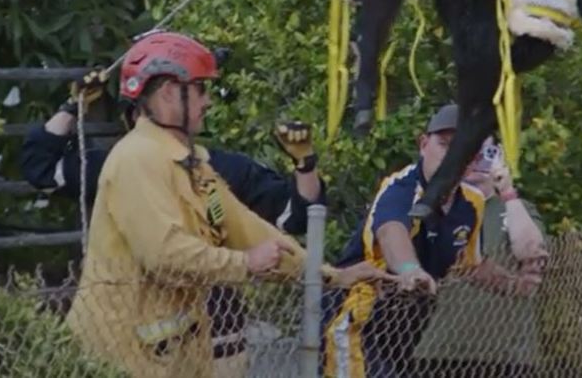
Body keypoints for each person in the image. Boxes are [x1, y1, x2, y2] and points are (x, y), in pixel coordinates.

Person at [63, 31, 388, 378]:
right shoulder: (137, 158)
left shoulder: (192, 164)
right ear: (170, 92)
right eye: (201, 88)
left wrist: (330, 275)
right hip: (119, 359)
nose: (208, 102)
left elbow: (246, 230)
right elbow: (164, 254)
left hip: (167, 356)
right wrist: (245, 263)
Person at [20, 58, 329, 369]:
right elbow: (42, 170)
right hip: (145, 348)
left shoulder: (217, 169)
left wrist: (305, 165)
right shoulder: (124, 164)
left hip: (219, 340)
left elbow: (295, 218)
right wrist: (74, 106)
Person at [321, 104, 543, 378]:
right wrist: (409, 270)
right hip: (356, 321)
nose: (450, 154)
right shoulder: (401, 186)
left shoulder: (471, 203)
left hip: (405, 332)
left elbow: (470, 264)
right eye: (443, 144)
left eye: (459, 147)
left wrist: (513, 284)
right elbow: (392, 232)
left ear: (472, 157)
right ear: (424, 144)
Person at [413, 137, 549, 377]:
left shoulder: (515, 208)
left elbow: (531, 251)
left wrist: (506, 191)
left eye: (485, 152)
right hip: (438, 353)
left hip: (508, 358)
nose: (476, 159)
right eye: (468, 151)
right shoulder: (434, 207)